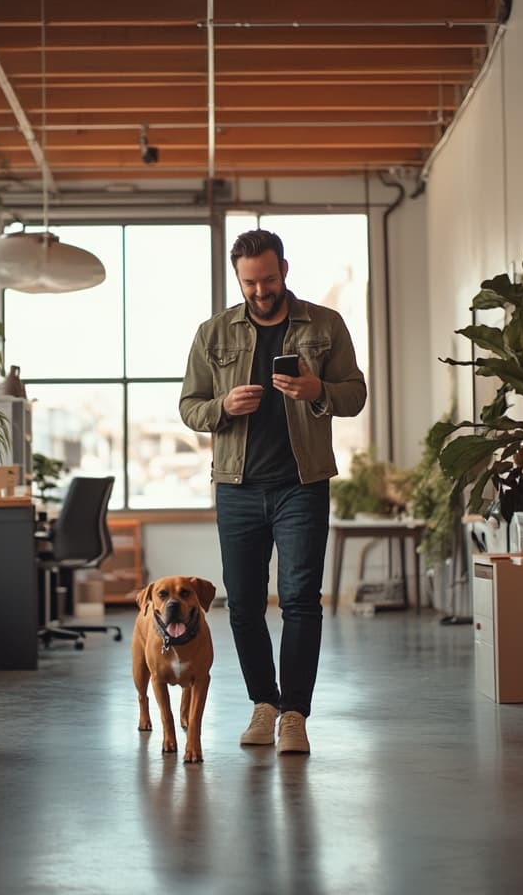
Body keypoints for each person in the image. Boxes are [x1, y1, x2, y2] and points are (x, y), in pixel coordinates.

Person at [179, 229, 366, 755]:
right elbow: (190, 404)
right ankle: (263, 704)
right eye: (249, 283)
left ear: (284, 268)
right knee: (242, 604)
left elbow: (356, 393)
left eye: (268, 279)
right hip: (237, 486)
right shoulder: (213, 333)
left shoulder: (324, 325)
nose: (260, 291)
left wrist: (318, 391)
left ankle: (295, 716)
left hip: (302, 484)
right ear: (238, 278)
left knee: (302, 602)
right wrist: (222, 408)